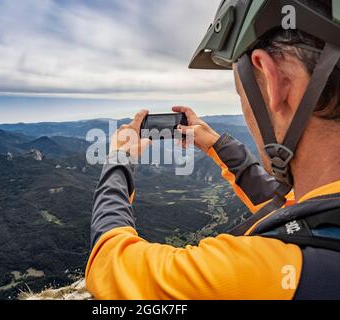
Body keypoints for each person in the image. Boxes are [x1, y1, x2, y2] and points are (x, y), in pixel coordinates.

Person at [85, 0, 340, 299]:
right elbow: (282, 203)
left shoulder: (263, 273)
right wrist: (216, 145)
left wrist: (119, 159)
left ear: (276, 81)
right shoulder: (324, 217)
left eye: (240, 94)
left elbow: (111, 265)